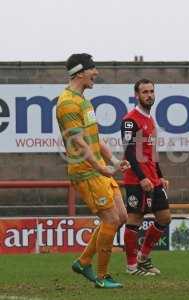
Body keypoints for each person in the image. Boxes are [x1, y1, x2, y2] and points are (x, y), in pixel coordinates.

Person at [56, 53, 129, 288]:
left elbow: (94, 139)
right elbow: (78, 142)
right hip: (86, 171)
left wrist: (115, 162)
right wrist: (98, 166)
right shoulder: (67, 102)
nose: (96, 72)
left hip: (97, 169)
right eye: (92, 68)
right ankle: (101, 276)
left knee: (121, 217)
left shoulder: (83, 101)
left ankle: (84, 261)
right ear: (79, 73)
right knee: (110, 219)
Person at [121, 78, 171, 276]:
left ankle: (143, 258)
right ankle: (131, 266)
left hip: (153, 179)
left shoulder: (150, 120)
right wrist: (142, 177)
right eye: (145, 92)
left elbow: (152, 153)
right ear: (137, 95)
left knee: (164, 217)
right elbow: (130, 152)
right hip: (137, 179)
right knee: (134, 219)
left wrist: (160, 176)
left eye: (151, 91)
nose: (149, 95)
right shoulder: (129, 120)